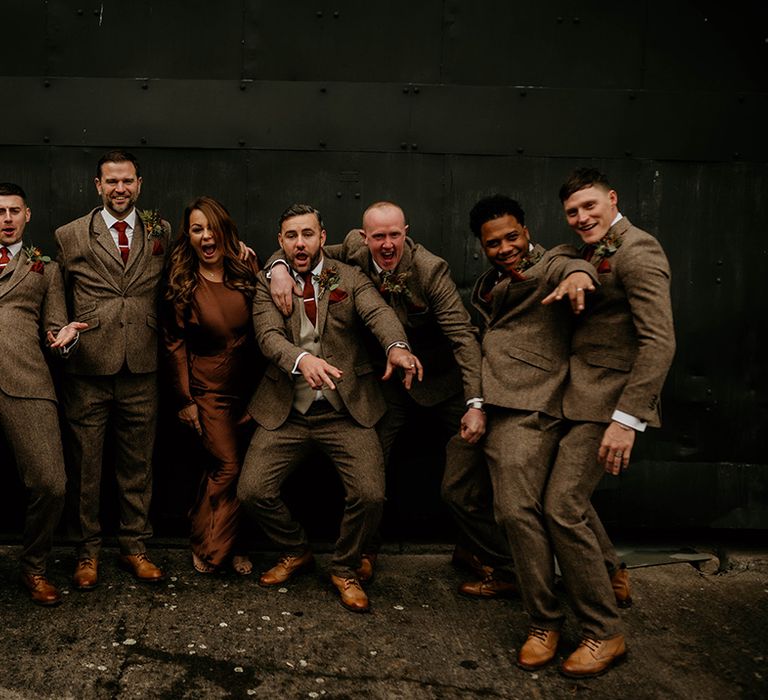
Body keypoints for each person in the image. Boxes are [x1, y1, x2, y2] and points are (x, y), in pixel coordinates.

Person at [269, 201, 514, 589]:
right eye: (378, 236)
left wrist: (475, 403)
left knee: (482, 463)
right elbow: (300, 248)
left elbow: (463, 339)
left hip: (442, 382)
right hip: (387, 382)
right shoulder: (352, 250)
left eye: (395, 235)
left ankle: (480, 551)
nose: (386, 244)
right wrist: (277, 268)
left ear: (406, 233)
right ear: (364, 238)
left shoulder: (430, 269)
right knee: (372, 467)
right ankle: (365, 551)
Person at [237, 203, 422, 613]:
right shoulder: (270, 282)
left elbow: (379, 314)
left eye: (308, 234)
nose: (300, 243)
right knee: (252, 491)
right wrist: (302, 360)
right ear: (280, 242)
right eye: (291, 236)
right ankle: (295, 550)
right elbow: (267, 336)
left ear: (323, 237)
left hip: (346, 409)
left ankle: (345, 567)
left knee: (371, 494)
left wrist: (397, 347)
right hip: (287, 409)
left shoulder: (350, 278)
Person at [534, 169, 675, 678]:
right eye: (573, 212)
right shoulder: (591, 250)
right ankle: (611, 571)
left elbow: (659, 342)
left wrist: (626, 420)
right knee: (567, 497)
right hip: (580, 395)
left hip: (610, 402)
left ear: (612, 199)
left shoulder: (639, 250)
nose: (582, 218)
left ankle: (604, 630)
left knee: (562, 506)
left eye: (590, 206)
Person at [55, 150, 171, 589]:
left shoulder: (160, 230)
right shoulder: (70, 236)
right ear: (97, 186)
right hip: (87, 369)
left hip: (142, 366)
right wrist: (60, 332)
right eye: (111, 182)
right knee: (85, 467)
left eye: (127, 181)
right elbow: (57, 296)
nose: (120, 189)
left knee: (138, 465)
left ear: (139, 184)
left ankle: (134, 547)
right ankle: (86, 553)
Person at [163, 196, 263, 576]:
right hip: (208, 389)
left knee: (247, 470)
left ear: (224, 230)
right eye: (196, 229)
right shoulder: (183, 281)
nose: (206, 236)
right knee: (226, 466)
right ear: (188, 236)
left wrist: (279, 267)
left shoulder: (247, 265)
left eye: (211, 228)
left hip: (251, 388)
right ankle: (209, 545)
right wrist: (185, 399)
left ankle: (233, 542)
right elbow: (174, 345)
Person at [0, 182, 85, 605]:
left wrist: (64, 337)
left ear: (27, 215)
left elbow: (55, 327)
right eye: (0, 211)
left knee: (52, 484)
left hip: (27, 381)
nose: (7, 218)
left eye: (15, 210)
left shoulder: (45, 269)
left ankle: (33, 568)